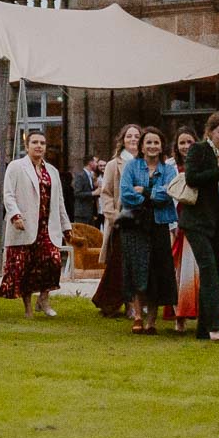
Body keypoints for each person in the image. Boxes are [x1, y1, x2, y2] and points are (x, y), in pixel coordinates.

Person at [0, 131, 73, 318]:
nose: (39, 146)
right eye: (35, 142)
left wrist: (67, 227)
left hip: (48, 226)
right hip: (26, 225)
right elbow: (8, 194)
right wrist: (15, 215)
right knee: (26, 267)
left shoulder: (53, 171)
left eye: (42, 143)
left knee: (52, 262)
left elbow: (59, 201)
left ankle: (43, 299)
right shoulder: (16, 167)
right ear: (27, 146)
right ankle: (28, 308)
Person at [179, 112, 219, 340]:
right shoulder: (198, 150)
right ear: (210, 132)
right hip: (197, 221)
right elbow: (192, 178)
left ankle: (203, 328)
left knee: (216, 272)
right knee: (209, 270)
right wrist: (218, 171)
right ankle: (213, 326)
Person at [119, 128, 178, 334]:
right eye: (149, 142)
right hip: (135, 225)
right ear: (142, 146)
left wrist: (143, 191)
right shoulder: (131, 167)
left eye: (156, 142)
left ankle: (151, 320)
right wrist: (151, 199)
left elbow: (170, 192)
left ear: (162, 146)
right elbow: (126, 194)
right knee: (137, 268)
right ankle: (137, 315)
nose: (152, 146)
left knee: (156, 270)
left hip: (159, 224)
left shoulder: (169, 169)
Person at [92, 124, 142, 317]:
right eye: (129, 136)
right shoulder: (114, 164)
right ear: (123, 139)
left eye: (137, 136)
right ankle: (116, 302)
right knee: (120, 264)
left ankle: (134, 302)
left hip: (141, 220)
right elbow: (106, 194)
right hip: (121, 221)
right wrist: (114, 217)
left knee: (137, 265)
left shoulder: (144, 163)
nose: (133, 139)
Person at [164, 125, 200, 332]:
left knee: (196, 273)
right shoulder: (170, 167)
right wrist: (172, 225)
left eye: (190, 142)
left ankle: (198, 313)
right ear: (176, 146)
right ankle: (179, 317)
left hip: (197, 224)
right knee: (177, 273)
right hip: (176, 224)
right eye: (182, 143)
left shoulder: (202, 163)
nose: (186, 146)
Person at [72, 156, 100, 225]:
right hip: (82, 213)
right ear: (90, 163)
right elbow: (77, 193)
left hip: (90, 213)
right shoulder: (80, 175)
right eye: (95, 162)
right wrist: (92, 193)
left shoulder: (91, 176)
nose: (97, 164)